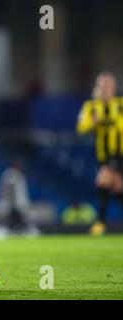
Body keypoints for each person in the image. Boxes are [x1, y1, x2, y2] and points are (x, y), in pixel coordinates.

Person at [76, 72, 123, 236]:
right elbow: (81, 127)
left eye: (108, 85)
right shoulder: (91, 106)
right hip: (103, 154)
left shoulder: (121, 104)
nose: (105, 88)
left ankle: (100, 222)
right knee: (116, 187)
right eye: (102, 85)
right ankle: (100, 222)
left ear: (114, 87)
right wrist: (93, 122)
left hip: (120, 152)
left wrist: (115, 123)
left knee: (104, 181)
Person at [0, 160, 32, 232]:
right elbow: (8, 188)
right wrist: (10, 202)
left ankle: (18, 230)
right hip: (14, 204)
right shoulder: (11, 175)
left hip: (17, 203)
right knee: (14, 222)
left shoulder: (18, 175)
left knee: (17, 223)